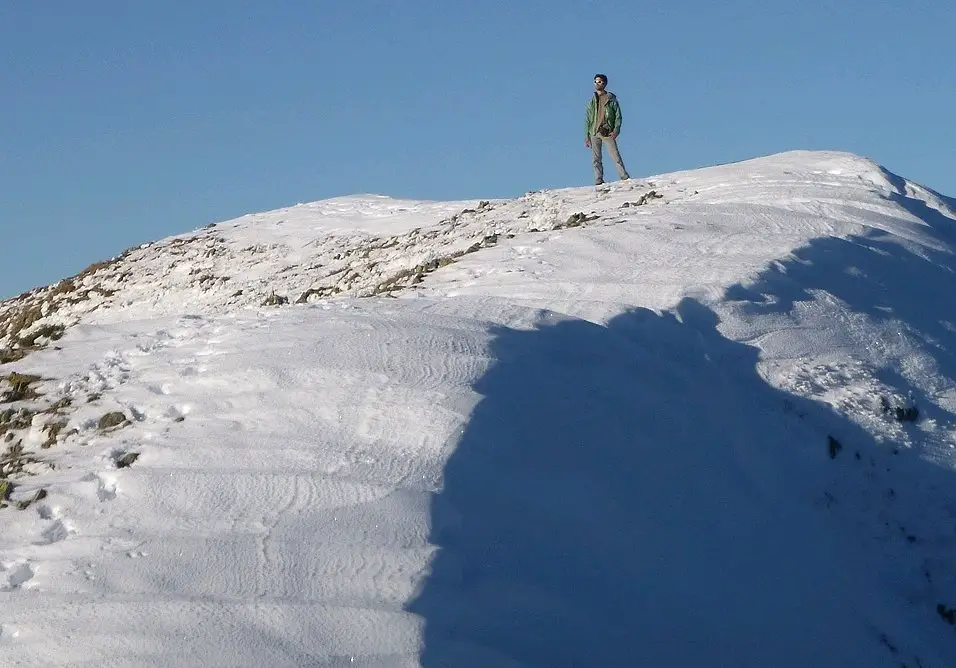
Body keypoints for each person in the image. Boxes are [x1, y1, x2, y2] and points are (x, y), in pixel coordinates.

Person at [585, 74, 630, 186]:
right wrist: (587, 135)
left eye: (599, 82)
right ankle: (598, 179)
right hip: (594, 132)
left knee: (615, 155)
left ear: (605, 83)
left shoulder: (611, 99)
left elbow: (618, 115)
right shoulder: (592, 101)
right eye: (595, 81)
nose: (597, 84)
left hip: (607, 131)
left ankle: (624, 176)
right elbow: (587, 119)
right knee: (596, 158)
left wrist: (616, 130)